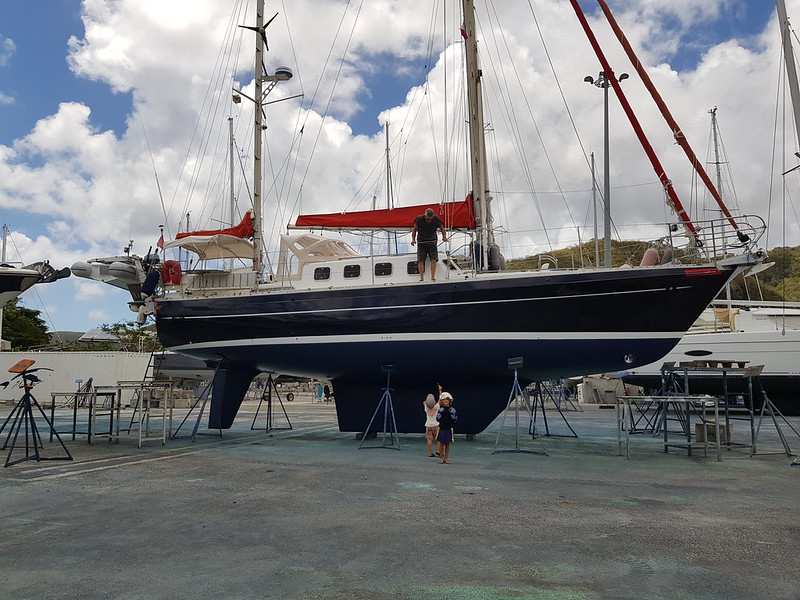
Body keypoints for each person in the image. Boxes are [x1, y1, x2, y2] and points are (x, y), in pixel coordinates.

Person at [411, 208, 448, 282]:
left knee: (433, 259)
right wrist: (413, 240)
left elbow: (442, 228)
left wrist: (444, 237)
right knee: (420, 260)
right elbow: (414, 230)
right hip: (421, 242)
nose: (429, 221)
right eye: (428, 219)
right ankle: (421, 278)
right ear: (425, 216)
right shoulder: (419, 219)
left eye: (430, 219)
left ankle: (433, 277)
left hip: (432, 241)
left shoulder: (436, 218)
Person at [435, 391, 457, 464]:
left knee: (447, 444)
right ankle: (441, 458)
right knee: (441, 443)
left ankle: (446, 458)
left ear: (449, 401)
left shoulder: (452, 410)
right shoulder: (441, 410)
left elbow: (455, 418)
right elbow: (437, 418)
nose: (445, 401)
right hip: (441, 428)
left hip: (448, 428)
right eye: (443, 400)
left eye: (446, 400)